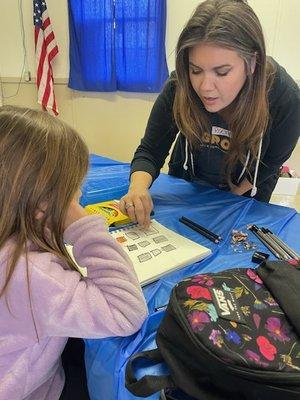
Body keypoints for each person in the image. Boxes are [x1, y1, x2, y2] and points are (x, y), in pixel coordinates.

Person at [0, 105, 148, 400]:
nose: (80, 194)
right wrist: (81, 224)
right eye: (75, 188)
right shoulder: (29, 275)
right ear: (43, 203)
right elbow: (126, 312)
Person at [120, 0, 300, 227]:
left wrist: (227, 199)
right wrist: (137, 189)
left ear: (252, 62)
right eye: (196, 70)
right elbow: (151, 150)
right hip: (188, 185)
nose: (205, 87)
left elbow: (270, 164)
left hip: (246, 192)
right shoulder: (180, 86)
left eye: (222, 72)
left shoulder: (285, 97)